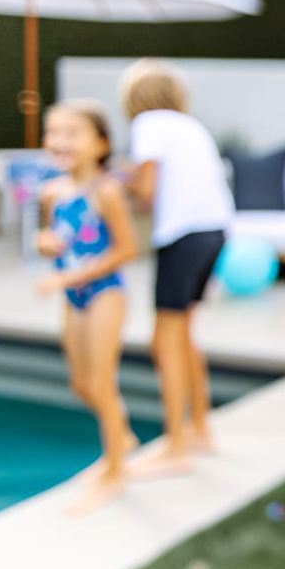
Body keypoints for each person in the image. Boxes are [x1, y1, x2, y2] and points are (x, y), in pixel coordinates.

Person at [120, 59, 233, 475]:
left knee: (164, 340)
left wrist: (118, 183)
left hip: (182, 235)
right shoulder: (190, 125)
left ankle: (175, 447)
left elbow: (147, 193)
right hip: (215, 230)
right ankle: (200, 430)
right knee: (183, 332)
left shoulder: (148, 124)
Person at [35, 99, 138, 516]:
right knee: (81, 384)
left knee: (102, 384)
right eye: (53, 132)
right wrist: (44, 245)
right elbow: (52, 239)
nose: (59, 141)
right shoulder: (52, 192)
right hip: (72, 295)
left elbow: (127, 249)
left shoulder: (107, 191)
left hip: (104, 294)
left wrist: (69, 277)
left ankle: (115, 472)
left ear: (100, 143)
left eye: (71, 133)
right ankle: (123, 437)